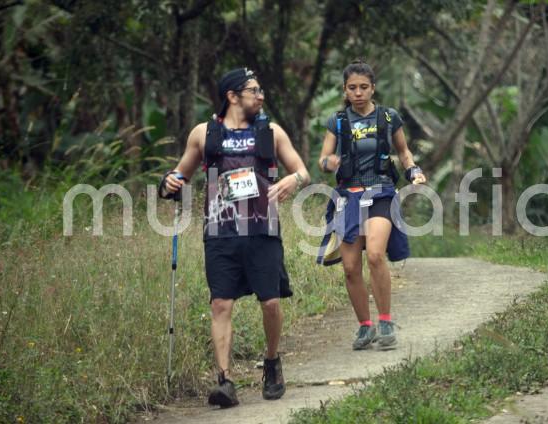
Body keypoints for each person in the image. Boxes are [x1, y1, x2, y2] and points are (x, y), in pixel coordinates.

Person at [159, 67, 310, 407]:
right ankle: (225, 380)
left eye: (261, 90)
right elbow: (177, 174)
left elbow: (301, 171)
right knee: (221, 303)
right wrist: (168, 183)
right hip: (220, 232)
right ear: (232, 96)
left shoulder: (270, 132)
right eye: (254, 90)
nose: (261, 95)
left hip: (262, 229)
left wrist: (293, 181)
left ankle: (272, 362)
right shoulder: (204, 133)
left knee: (270, 302)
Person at [316, 61, 426, 351]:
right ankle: (365, 326)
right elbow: (323, 159)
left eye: (364, 87)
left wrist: (413, 170)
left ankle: (386, 320)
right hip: (348, 196)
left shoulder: (389, 118)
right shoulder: (338, 122)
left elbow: (403, 151)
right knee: (351, 267)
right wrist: (330, 162)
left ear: (373, 88)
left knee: (376, 255)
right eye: (352, 88)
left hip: (381, 193)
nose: (358, 92)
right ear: (344, 90)